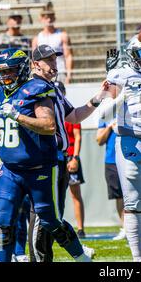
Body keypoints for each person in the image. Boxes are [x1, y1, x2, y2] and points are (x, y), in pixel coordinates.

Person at [0, 48, 106, 262]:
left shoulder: (38, 88)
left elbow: (49, 125)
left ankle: (81, 258)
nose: (6, 77)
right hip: (10, 170)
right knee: (2, 221)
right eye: (3, 72)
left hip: (40, 169)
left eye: (11, 72)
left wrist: (17, 116)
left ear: (23, 69)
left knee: (50, 220)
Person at [25, 45, 99, 262]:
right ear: (35, 64)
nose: (54, 64)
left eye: (55, 59)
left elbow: (74, 116)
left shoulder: (52, 88)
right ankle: (50, 257)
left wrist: (100, 96)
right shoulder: (35, 88)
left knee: (52, 215)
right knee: (43, 215)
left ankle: (64, 255)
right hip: (44, 160)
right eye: (48, 60)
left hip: (59, 159)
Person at [103, 35, 141, 261]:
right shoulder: (119, 74)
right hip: (131, 141)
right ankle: (138, 260)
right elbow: (104, 113)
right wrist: (118, 93)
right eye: (140, 54)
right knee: (133, 204)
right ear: (131, 54)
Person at [96, 118, 125, 241]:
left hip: (129, 158)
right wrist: (109, 127)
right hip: (111, 161)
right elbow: (99, 140)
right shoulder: (104, 116)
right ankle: (125, 228)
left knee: (137, 193)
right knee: (118, 196)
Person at [32, 8, 74, 84]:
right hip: (43, 74)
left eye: (51, 17)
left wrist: (69, 75)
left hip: (60, 72)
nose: (49, 20)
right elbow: (34, 59)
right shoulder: (37, 39)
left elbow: (68, 56)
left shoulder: (62, 35)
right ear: (41, 19)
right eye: (46, 18)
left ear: (54, 18)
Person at [65, 122, 86, 238]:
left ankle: (80, 229)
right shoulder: (52, 111)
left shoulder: (72, 114)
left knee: (75, 195)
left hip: (70, 157)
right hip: (57, 157)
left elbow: (78, 136)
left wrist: (75, 158)